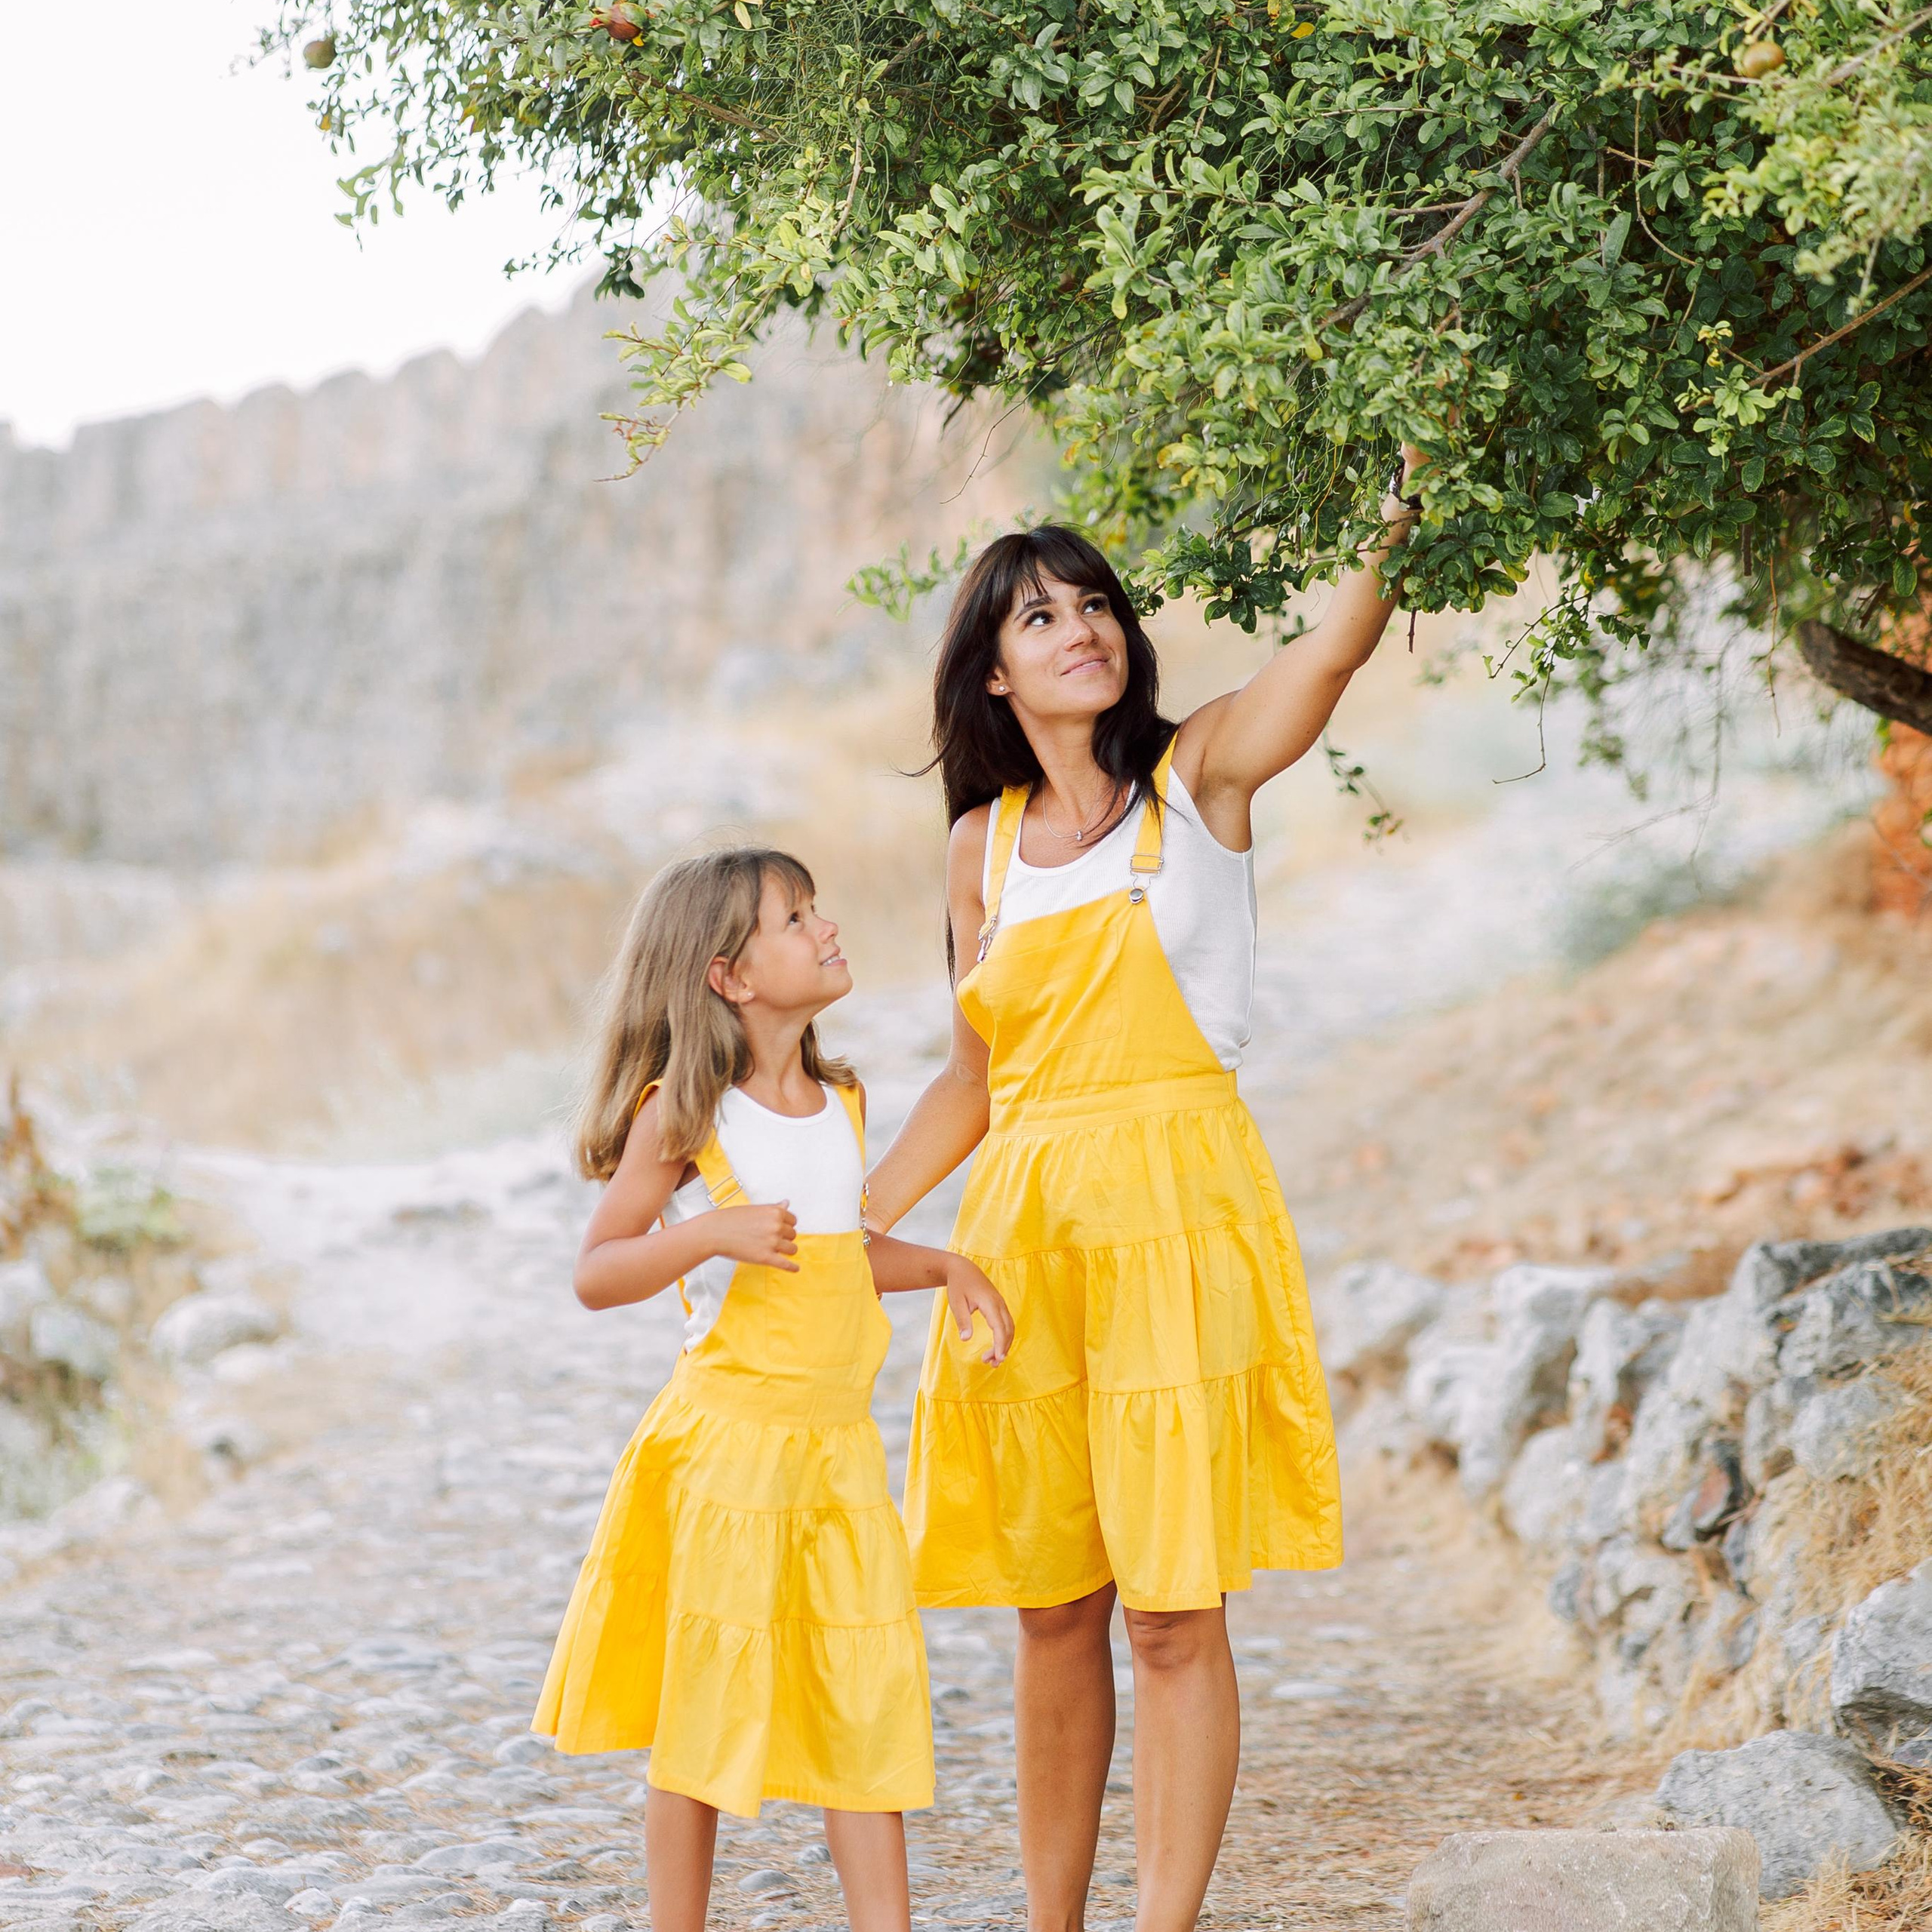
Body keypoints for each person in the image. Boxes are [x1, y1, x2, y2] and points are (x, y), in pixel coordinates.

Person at [864, 461, 1424, 1932]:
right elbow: (970, 1077)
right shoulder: (975, 845)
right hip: (1026, 1237)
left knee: (1173, 1610)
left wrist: (1401, 500)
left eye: (1095, 602)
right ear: (990, 669)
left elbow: (1326, 653)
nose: (1079, 628)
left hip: (1180, 1218)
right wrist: (851, 1221)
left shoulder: (1200, 775)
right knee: (1052, 1610)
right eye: (1038, 615)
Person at [532, 847, 1014, 1932]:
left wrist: (943, 1266)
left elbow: (838, 1255)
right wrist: (704, 1231)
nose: (825, 927)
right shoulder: (685, 1114)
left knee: (866, 1688)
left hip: (839, 1457)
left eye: (815, 909)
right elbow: (597, 1270)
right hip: (729, 1455)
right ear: (729, 978)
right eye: (794, 919)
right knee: (704, 1706)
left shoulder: (840, 1103)